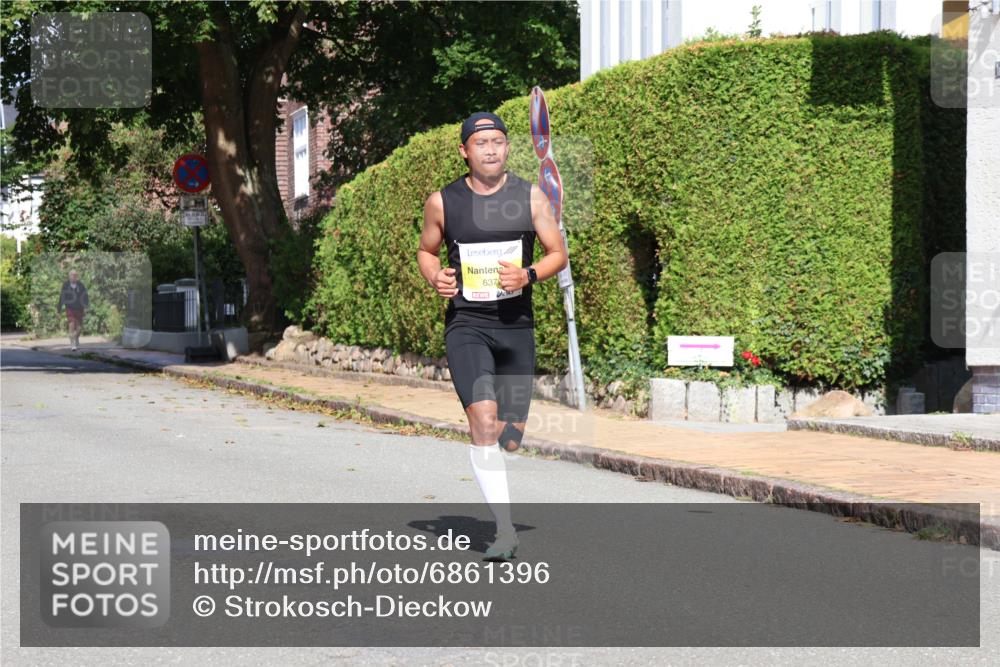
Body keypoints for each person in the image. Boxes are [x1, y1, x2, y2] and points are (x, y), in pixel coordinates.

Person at [417, 112, 567, 560]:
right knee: (482, 420)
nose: (490, 149)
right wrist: (435, 276)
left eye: (498, 141)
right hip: (467, 324)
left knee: (510, 437)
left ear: (507, 148)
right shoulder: (443, 202)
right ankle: (504, 531)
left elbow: (557, 253)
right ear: (464, 151)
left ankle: (501, 459)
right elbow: (426, 251)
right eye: (481, 143)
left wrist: (529, 274)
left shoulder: (530, 196)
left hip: (516, 326)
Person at [57, 270, 89, 351]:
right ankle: (72, 344)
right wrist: (59, 310)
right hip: (69, 308)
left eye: (75, 275)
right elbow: (62, 297)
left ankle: (76, 337)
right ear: (69, 276)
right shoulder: (66, 285)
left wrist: (86, 307)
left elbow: (85, 296)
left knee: (79, 328)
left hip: (79, 308)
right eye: (72, 275)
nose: (74, 276)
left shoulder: (81, 285)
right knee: (71, 325)